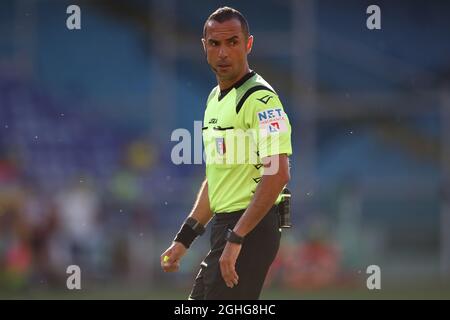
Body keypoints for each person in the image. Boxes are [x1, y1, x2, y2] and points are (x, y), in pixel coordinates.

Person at [160, 6, 293, 300]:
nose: (223, 53)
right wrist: (185, 239)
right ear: (204, 46)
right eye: (215, 43)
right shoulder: (215, 99)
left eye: (232, 42)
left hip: (250, 228)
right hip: (228, 228)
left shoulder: (261, 100)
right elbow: (217, 179)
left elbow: (279, 173)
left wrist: (237, 237)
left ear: (248, 44)